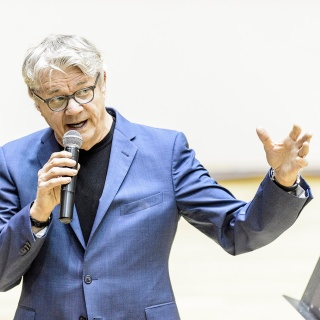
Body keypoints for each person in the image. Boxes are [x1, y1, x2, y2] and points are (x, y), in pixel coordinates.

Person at [0, 34, 313, 320]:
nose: (73, 109)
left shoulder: (165, 153)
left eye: (83, 91)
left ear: (103, 82)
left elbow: (239, 231)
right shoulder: (13, 161)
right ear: (36, 100)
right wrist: (37, 215)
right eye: (56, 98)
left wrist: (282, 181)